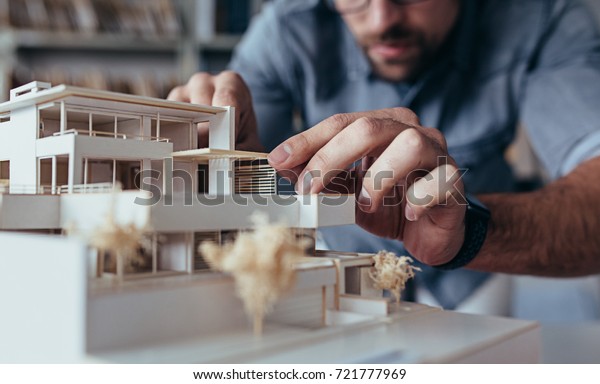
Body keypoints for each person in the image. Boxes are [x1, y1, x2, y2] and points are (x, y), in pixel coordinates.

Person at [168, 0, 600, 310]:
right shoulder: (285, 25)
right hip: (340, 266)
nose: (382, 19)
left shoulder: (543, 16)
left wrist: (466, 233)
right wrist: (230, 168)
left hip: (479, 273)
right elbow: (257, 176)